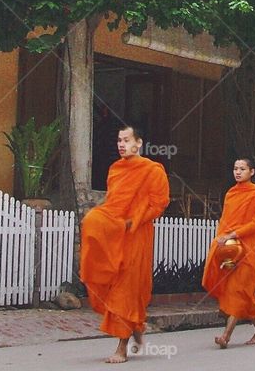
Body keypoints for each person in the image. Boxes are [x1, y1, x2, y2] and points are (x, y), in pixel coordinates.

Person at [80, 126, 170, 364]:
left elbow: (159, 204)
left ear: (138, 143)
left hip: (138, 233)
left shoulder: (152, 170)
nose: (121, 144)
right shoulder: (115, 169)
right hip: (118, 230)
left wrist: (135, 220)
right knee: (91, 220)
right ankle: (137, 329)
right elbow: (113, 203)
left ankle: (122, 347)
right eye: (119, 140)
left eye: (126, 140)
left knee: (127, 287)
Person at [201, 158, 255, 349]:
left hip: (249, 247)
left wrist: (234, 234)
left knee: (239, 290)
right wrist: (220, 244)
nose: (238, 172)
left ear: (252, 172)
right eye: (235, 168)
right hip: (229, 249)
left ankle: (226, 336)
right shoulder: (231, 193)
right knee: (243, 293)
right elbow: (225, 221)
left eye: (242, 169)